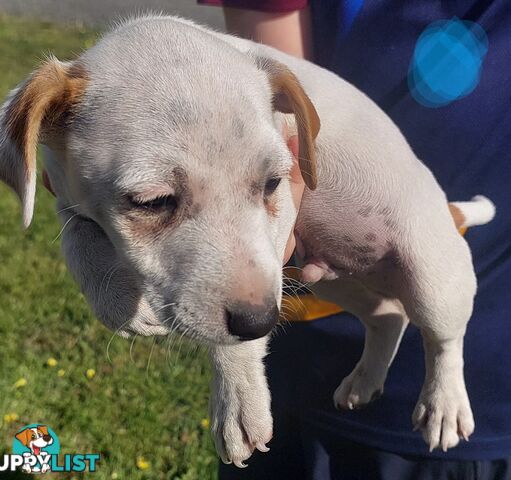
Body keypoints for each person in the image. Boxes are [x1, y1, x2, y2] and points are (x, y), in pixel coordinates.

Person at [198, 1, 511, 479]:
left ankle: (447, 363)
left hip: (483, 349)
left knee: (437, 299)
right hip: (304, 338)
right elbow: (264, 135)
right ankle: (383, 329)